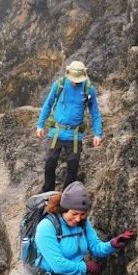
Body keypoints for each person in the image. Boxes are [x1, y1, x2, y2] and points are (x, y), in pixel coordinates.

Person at [36, 60, 103, 192]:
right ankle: (47, 193)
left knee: (73, 167)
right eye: (73, 79)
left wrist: (97, 133)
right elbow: (48, 104)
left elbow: (95, 113)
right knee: (50, 163)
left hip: (74, 135)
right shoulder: (59, 85)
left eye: (77, 79)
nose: (75, 82)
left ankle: (67, 197)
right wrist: (40, 125)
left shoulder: (89, 89)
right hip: (56, 133)